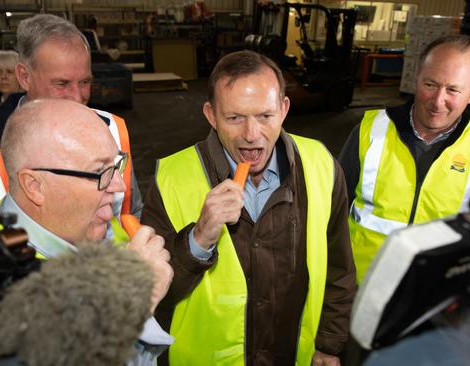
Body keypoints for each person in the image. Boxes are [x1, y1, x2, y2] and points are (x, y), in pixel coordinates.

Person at [141, 50, 357, 365]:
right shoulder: (171, 178)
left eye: (265, 116)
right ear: (211, 115)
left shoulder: (321, 164)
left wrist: (329, 343)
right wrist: (198, 239)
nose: (251, 135)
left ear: (284, 109)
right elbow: (149, 291)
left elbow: (339, 267)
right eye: (234, 118)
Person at [0, 99, 174, 364]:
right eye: (99, 171)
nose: (120, 186)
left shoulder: (83, 222)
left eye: (116, 164)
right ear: (34, 186)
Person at [0, 13, 141, 258]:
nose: (77, 97)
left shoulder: (113, 131)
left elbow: (131, 215)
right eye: (61, 84)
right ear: (24, 76)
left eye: (85, 81)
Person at [338, 35, 470, 282]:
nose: (438, 101)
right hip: (359, 287)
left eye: (453, 89)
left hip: (433, 300)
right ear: (416, 78)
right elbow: (332, 211)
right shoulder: (370, 131)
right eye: (430, 84)